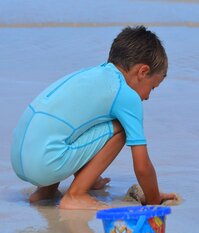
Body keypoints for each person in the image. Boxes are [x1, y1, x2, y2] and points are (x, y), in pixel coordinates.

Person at [11, 26, 177, 210]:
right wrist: (153, 200)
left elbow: (77, 126)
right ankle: (75, 195)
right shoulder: (126, 95)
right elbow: (142, 165)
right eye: (152, 87)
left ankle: (45, 192)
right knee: (121, 127)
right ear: (142, 72)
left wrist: (87, 174)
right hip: (44, 164)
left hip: (20, 159)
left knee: (67, 128)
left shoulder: (93, 75)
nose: (147, 97)